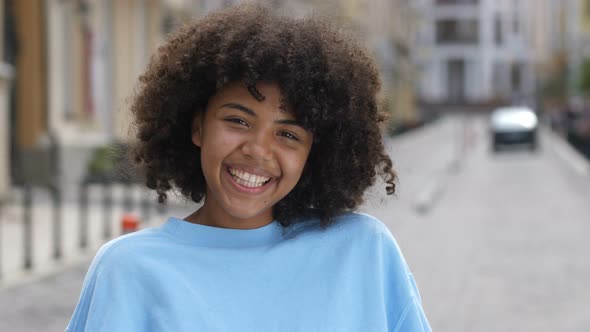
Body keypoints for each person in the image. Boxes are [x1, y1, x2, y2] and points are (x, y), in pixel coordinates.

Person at [67, 3, 431, 331]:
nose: (258, 151)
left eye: (288, 134)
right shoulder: (129, 270)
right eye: (238, 121)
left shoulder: (364, 252)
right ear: (198, 126)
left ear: (313, 153)